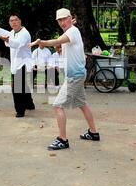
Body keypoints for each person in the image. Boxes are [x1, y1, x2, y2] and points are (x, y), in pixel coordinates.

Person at [29, 8, 100, 150]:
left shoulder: (72, 32)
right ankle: (93, 133)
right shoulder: (71, 30)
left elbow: (57, 41)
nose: (62, 22)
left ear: (70, 18)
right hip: (77, 75)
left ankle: (63, 140)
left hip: (75, 77)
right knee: (82, 104)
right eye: (59, 20)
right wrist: (70, 23)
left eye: (64, 19)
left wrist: (40, 41)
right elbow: (64, 36)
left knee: (57, 106)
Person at [0, 13, 35, 118]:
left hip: (23, 63)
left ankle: (20, 110)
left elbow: (17, 44)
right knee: (22, 85)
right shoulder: (13, 32)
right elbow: (8, 34)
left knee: (17, 87)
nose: (14, 22)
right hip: (17, 63)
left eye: (16, 20)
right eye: (11, 21)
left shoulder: (25, 33)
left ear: (20, 21)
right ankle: (29, 104)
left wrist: (7, 40)